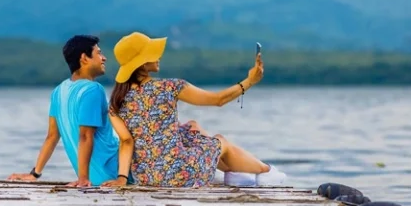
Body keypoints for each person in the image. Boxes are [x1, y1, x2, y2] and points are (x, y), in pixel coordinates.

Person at [103, 31, 285, 188]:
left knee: (191, 127)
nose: (158, 57)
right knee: (220, 141)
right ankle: (266, 171)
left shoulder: (116, 102)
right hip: (179, 174)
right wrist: (249, 82)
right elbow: (218, 100)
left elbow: (127, 141)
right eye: (153, 54)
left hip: (146, 177)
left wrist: (122, 179)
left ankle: (234, 173)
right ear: (142, 64)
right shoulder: (170, 87)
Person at [7, 35, 119, 187]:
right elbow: (85, 135)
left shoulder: (59, 91)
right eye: (98, 53)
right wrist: (83, 179)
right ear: (84, 58)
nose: (104, 58)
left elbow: (52, 136)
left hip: (97, 178)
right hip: (113, 174)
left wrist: (34, 174)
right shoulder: (93, 90)